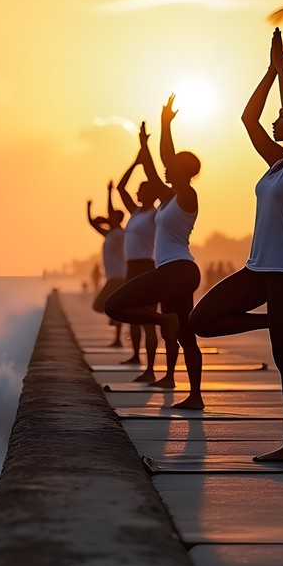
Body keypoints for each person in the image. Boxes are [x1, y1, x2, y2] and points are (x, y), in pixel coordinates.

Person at [190, 28, 283, 461]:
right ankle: (270, 322)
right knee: (201, 320)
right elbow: (247, 119)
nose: (277, 120)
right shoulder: (277, 164)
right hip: (260, 269)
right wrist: (269, 70)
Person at [104, 97, 203, 402]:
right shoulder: (168, 198)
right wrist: (145, 143)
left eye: (171, 169)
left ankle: (167, 328)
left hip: (179, 269)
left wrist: (166, 126)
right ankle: (191, 393)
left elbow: (167, 158)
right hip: (172, 272)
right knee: (183, 334)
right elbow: (154, 165)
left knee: (114, 306)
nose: (164, 172)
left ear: (183, 171)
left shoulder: (187, 195)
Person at [115, 128, 162, 382]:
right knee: (131, 314)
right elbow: (121, 188)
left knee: (147, 319)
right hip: (131, 268)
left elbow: (154, 181)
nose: (136, 193)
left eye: (141, 191)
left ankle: (151, 369)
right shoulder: (134, 212)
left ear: (151, 193)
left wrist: (146, 151)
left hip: (147, 267)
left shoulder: (155, 214)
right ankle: (135, 356)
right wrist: (135, 161)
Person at [87, 184, 126, 346]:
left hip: (118, 277)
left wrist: (109, 193)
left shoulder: (119, 234)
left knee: (98, 305)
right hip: (113, 277)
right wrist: (88, 208)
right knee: (116, 306)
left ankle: (117, 317)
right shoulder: (109, 233)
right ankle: (117, 336)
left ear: (117, 219)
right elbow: (93, 224)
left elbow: (109, 212)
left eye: (112, 217)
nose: (108, 218)